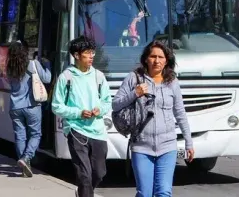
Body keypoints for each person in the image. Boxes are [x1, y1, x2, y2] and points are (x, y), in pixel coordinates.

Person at [112, 40, 193, 197]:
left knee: (164, 192)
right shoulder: (134, 78)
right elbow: (115, 104)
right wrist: (135, 93)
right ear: (146, 59)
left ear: (166, 60)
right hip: (141, 146)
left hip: (167, 146)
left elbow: (180, 112)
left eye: (161, 57)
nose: (157, 61)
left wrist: (189, 142)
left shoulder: (172, 82)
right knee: (145, 193)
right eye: (153, 56)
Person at [51, 36, 111, 197]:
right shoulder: (66, 77)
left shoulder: (99, 76)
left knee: (99, 173)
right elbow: (56, 106)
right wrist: (78, 113)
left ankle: (82, 192)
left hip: (97, 131)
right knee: (84, 175)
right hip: (76, 130)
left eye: (93, 52)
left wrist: (100, 110)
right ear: (76, 55)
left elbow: (107, 102)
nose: (91, 56)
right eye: (87, 53)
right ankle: (85, 192)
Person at [6, 39, 52, 177]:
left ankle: (24, 166)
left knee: (20, 136)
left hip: (15, 107)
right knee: (35, 134)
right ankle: (26, 158)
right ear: (25, 51)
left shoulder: (10, 67)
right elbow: (47, 79)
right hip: (32, 106)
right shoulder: (33, 64)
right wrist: (47, 65)